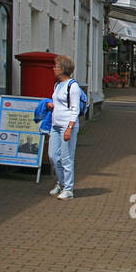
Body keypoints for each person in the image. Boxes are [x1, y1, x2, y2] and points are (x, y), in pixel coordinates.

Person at [47, 55, 82, 200]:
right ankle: (61, 183)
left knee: (66, 158)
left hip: (68, 126)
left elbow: (75, 109)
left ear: (63, 69)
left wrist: (69, 128)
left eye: (56, 66)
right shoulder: (57, 84)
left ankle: (68, 189)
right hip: (55, 125)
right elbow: (61, 103)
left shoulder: (73, 86)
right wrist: (52, 106)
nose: (53, 68)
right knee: (53, 156)